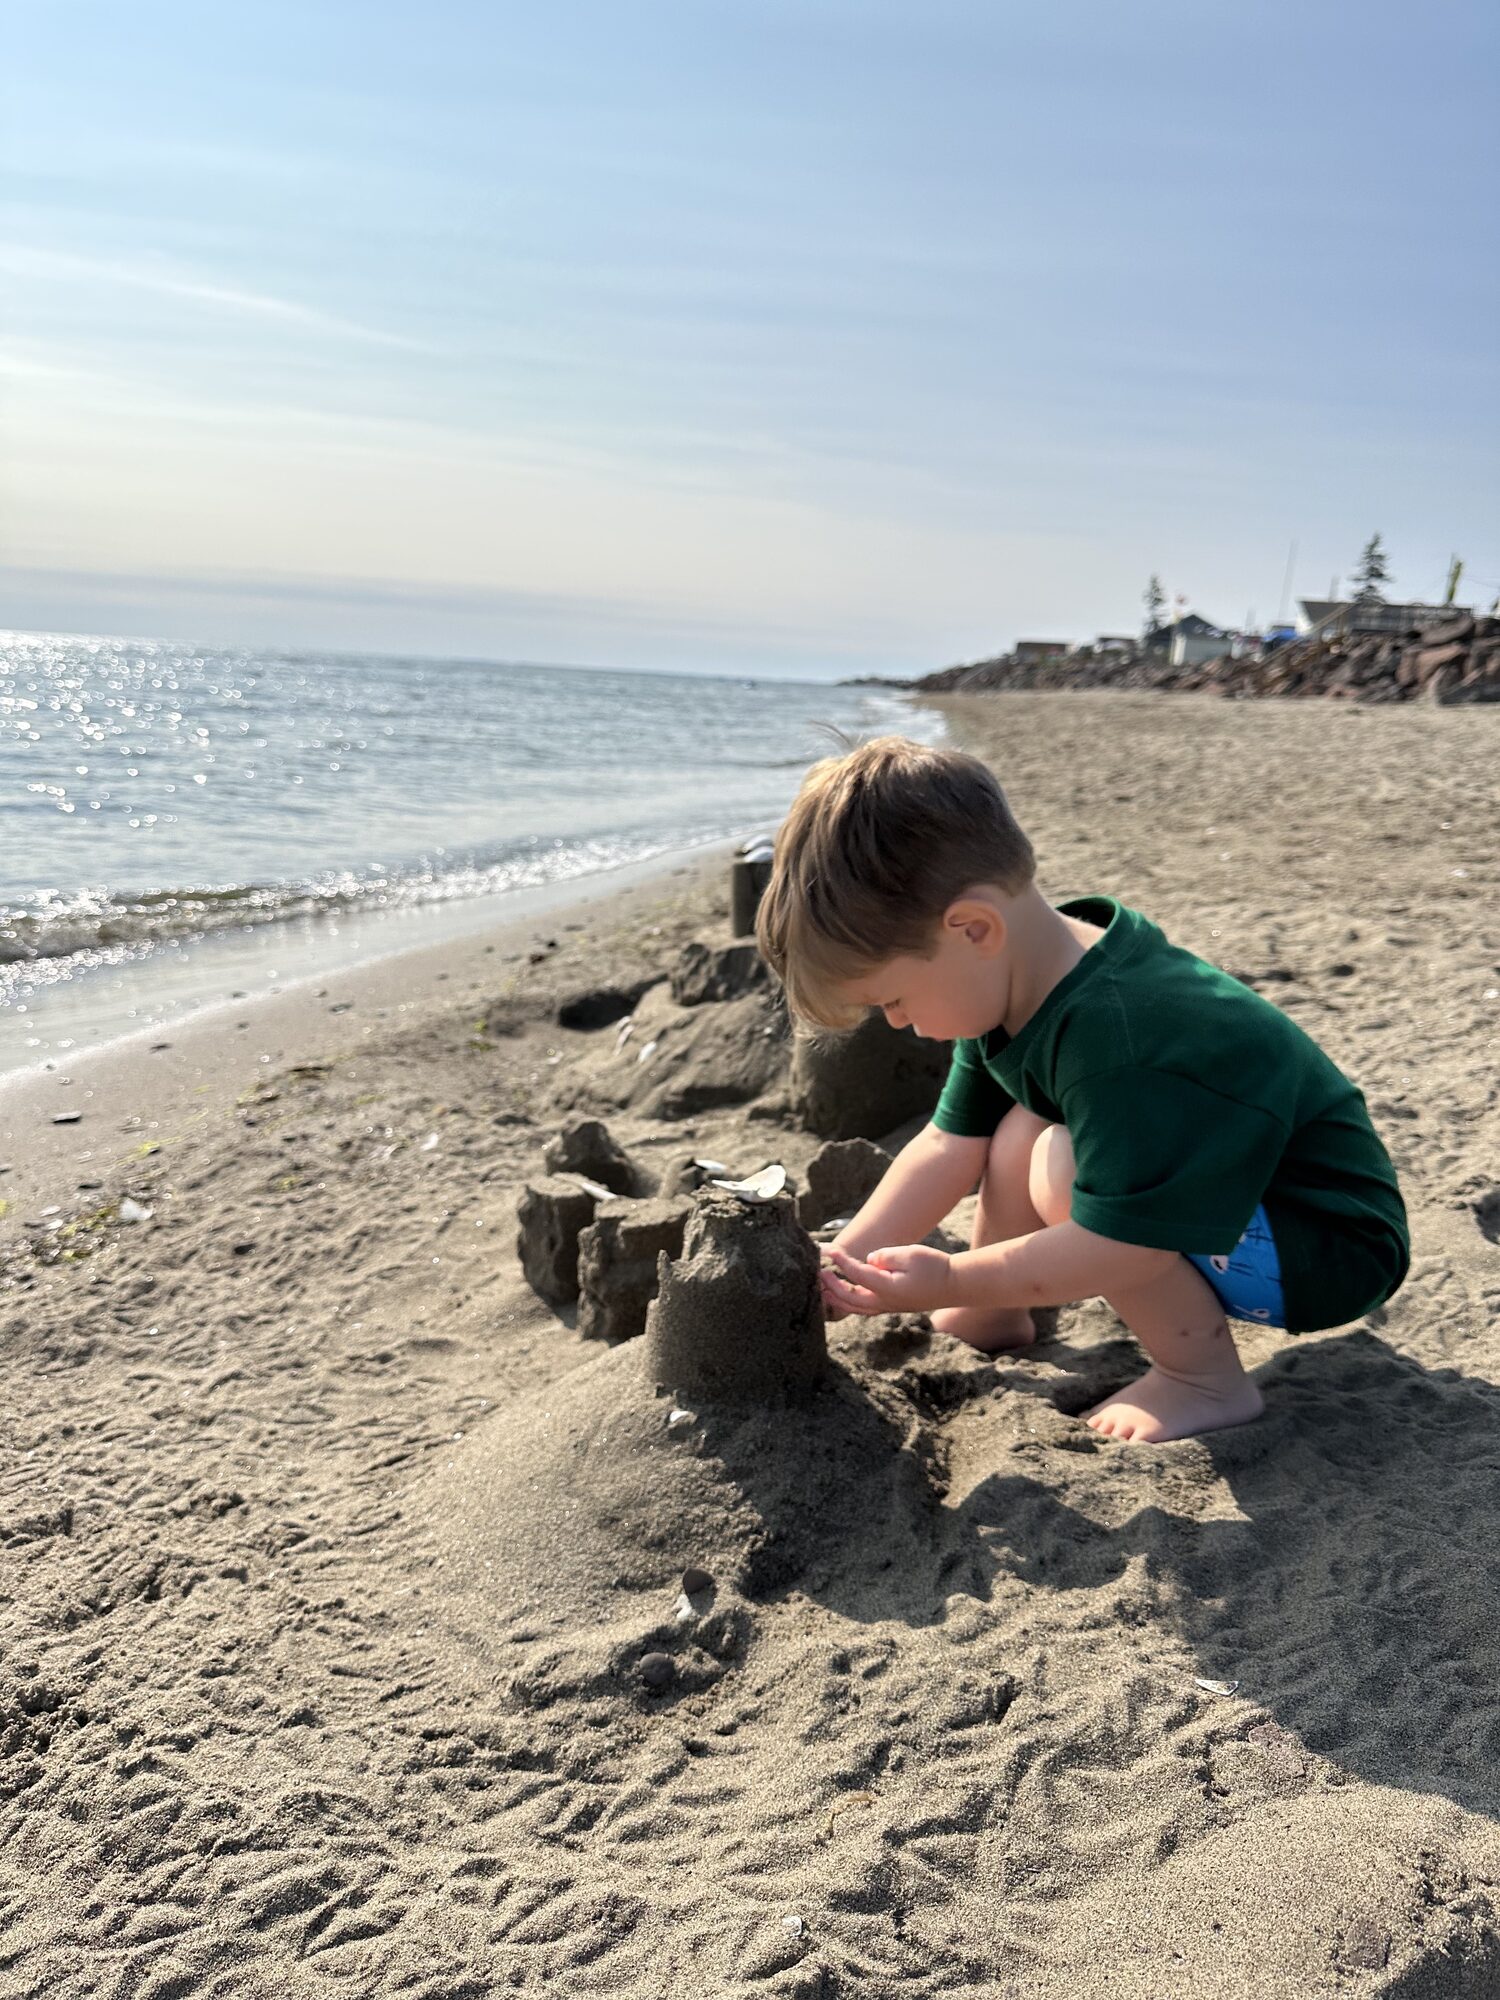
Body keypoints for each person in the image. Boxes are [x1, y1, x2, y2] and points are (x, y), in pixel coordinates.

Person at [754, 735, 1409, 1444]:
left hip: (1324, 1243)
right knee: (1020, 1132)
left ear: (974, 928)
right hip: (1238, 1199)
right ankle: (996, 1318)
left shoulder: (1118, 1037)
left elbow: (1124, 1247)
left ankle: (1202, 1378)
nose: (901, 1023)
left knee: (1061, 1163)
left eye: (892, 999)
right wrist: (844, 1264)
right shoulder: (1018, 977)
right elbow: (947, 1146)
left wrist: (950, 1280)